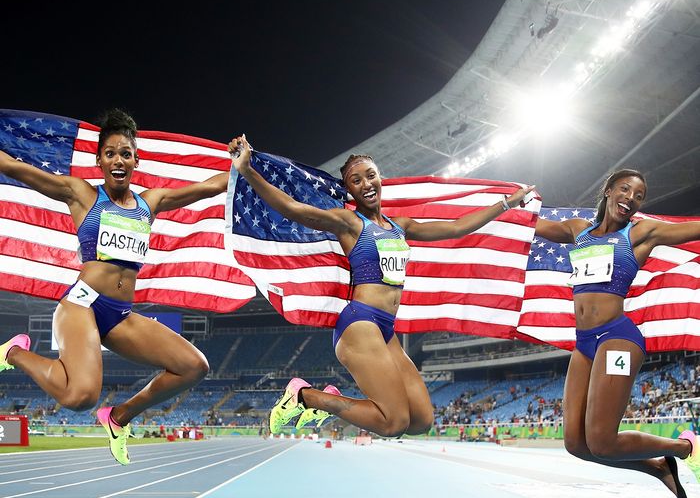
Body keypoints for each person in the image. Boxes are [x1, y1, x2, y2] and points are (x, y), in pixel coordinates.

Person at [229, 134, 533, 438]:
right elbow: (294, 209)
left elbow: (457, 227)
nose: (366, 184)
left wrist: (507, 203)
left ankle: (324, 399)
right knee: (393, 422)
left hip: (387, 329)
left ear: (380, 178)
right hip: (360, 322)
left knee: (420, 420)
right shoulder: (349, 223)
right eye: (356, 180)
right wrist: (247, 170)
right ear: (349, 189)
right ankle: (303, 396)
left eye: (370, 175)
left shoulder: (401, 226)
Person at [0, 110, 228, 465]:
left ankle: (119, 417)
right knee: (80, 397)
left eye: (125, 153)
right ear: (99, 160)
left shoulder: (150, 202)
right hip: (82, 305)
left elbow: (211, 186)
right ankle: (13, 353)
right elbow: (16, 168)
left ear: (136, 160)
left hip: (119, 314)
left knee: (194, 366)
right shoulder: (82, 195)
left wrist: (243, 165)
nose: (118, 160)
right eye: (110, 153)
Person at [534, 169, 700, 498]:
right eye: (625, 189)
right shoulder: (578, 230)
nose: (631, 198)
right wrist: (506, 204)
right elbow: (523, 227)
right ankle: (658, 469)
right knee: (577, 445)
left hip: (618, 339)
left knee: (602, 442)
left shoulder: (640, 232)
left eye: (639, 196)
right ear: (608, 190)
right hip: (585, 343)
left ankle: (686, 447)